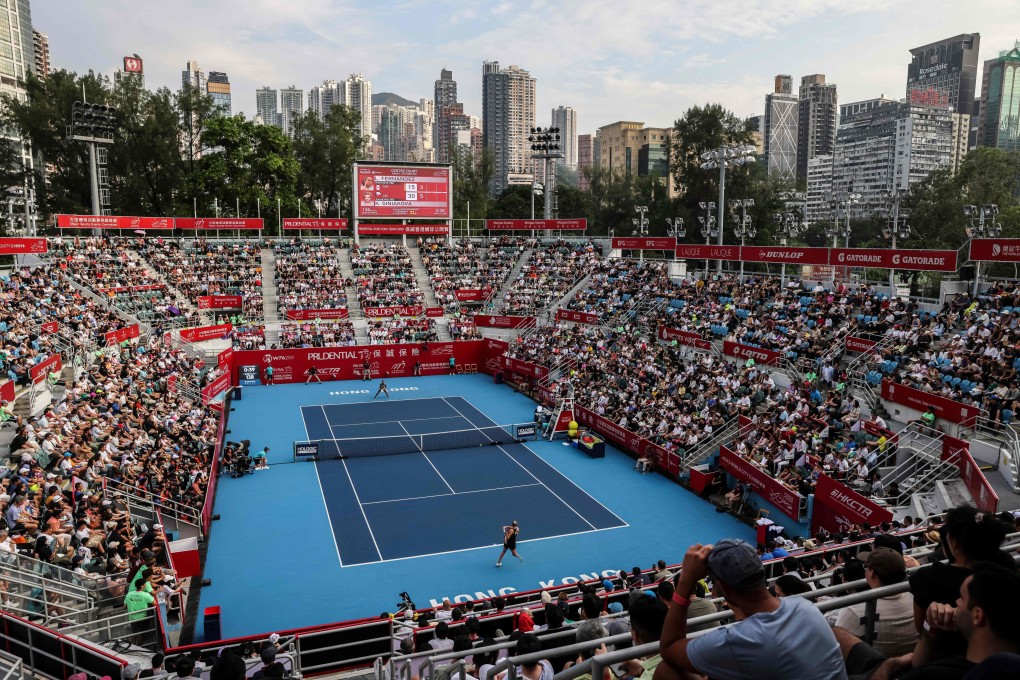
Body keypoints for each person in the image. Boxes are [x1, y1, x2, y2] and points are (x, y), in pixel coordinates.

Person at [657, 538, 847, 680]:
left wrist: (685, 582)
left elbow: (668, 648)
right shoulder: (804, 606)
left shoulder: (738, 641)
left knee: (665, 671)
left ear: (725, 589)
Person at [839, 563, 1020, 680]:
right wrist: (932, 631)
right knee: (837, 634)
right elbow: (918, 663)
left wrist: (890, 665)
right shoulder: (992, 657)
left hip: (889, 670)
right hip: (904, 664)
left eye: (962, 598)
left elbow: (916, 670)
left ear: (977, 616)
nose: (955, 602)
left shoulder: (936, 675)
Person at [831, 547, 918, 657]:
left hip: (875, 670)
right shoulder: (914, 598)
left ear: (871, 572)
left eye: (865, 566)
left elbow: (837, 652)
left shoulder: (853, 611)